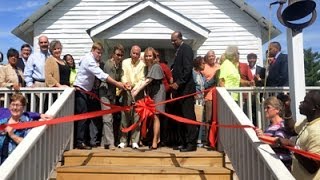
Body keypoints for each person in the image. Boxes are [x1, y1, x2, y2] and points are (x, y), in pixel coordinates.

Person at [73, 42, 124, 150]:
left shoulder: (89, 59)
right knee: (83, 117)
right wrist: (118, 84)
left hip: (87, 91)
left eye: (101, 53)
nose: (99, 55)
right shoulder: (89, 60)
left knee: (89, 118)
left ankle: (89, 141)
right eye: (98, 52)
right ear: (92, 50)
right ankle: (80, 142)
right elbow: (102, 75)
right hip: (81, 90)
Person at [278, 90, 320, 179]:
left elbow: (313, 166)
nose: (301, 103)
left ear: (314, 108)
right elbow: (292, 129)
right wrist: (287, 108)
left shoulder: (317, 131)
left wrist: (292, 146)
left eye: (305, 102)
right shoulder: (308, 121)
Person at [0, 94, 51, 164]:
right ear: (9, 106)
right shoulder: (2, 122)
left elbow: (28, 144)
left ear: (23, 107)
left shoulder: (28, 123)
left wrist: (12, 135)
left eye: (18, 105)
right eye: (13, 104)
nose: (15, 107)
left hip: (18, 164)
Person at [131, 47, 165, 149]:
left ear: (154, 57)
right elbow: (143, 80)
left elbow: (148, 81)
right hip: (150, 92)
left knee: (156, 115)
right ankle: (152, 138)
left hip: (158, 92)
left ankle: (155, 141)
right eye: (146, 56)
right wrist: (137, 90)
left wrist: (136, 91)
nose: (148, 57)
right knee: (148, 116)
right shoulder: (146, 68)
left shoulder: (156, 66)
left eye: (150, 55)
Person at [170, 31, 198, 152]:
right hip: (179, 92)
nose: (172, 42)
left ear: (180, 38)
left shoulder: (186, 49)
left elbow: (187, 69)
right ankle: (184, 142)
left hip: (186, 90)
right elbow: (178, 68)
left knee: (188, 116)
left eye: (174, 40)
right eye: (171, 40)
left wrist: (178, 82)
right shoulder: (178, 51)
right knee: (180, 117)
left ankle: (191, 144)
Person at [118, 45, 145, 149]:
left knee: (136, 117)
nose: (135, 55)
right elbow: (122, 75)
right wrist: (126, 83)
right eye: (133, 53)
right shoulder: (125, 62)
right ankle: (123, 141)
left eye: (137, 53)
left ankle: (135, 141)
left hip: (138, 91)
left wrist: (135, 88)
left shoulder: (143, 64)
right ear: (130, 53)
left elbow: (142, 78)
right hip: (126, 90)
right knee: (125, 116)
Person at [255, 96, 292, 171]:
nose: (265, 110)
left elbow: (279, 141)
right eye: (264, 108)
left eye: (268, 107)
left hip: (282, 165)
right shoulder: (269, 127)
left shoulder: (282, 124)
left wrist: (262, 136)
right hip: (273, 165)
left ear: (277, 110)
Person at [99, 44, 124, 150]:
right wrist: (121, 85)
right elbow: (111, 80)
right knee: (107, 118)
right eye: (117, 54)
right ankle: (110, 143)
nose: (119, 57)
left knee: (109, 119)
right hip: (105, 93)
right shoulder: (109, 65)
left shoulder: (118, 66)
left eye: (121, 55)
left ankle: (103, 143)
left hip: (112, 94)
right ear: (113, 54)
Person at [192, 56, 216, 147]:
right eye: (202, 63)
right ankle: (193, 139)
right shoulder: (192, 73)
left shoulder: (201, 75)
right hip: (194, 100)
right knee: (195, 120)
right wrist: (193, 94)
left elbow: (205, 85)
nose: (204, 65)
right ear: (198, 64)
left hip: (201, 100)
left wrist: (214, 78)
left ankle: (198, 141)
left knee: (200, 120)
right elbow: (190, 85)